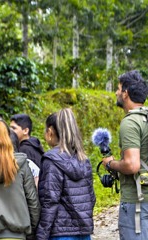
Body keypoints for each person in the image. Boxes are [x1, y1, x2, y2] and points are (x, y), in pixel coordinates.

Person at [36, 108, 96, 240]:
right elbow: (91, 198)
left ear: (50, 131)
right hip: (83, 233)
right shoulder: (83, 159)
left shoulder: (51, 160)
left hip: (60, 233)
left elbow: (50, 201)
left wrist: (41, 235)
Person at [102, 70, 148, 240]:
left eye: (118, 88)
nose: (116, 92)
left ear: (126, 93)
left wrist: (110, 163)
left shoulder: (130, 122)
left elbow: (132, 165)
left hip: (136, 202)